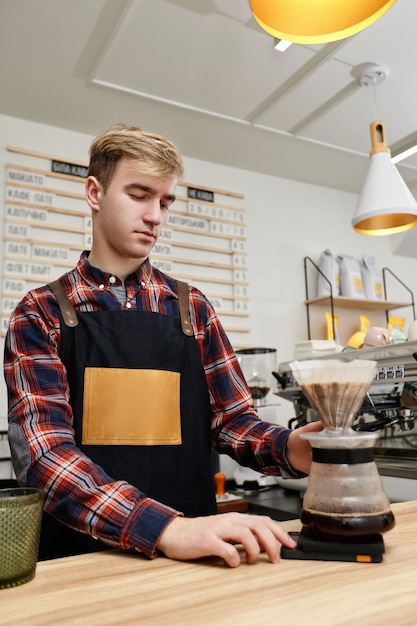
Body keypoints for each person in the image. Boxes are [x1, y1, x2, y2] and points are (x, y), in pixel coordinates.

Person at [4, 123, 322, 567]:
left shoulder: (193, 309)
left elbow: (232, 422)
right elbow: (44, 457)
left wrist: (290, 448)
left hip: (199, 558)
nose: (156, 216)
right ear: (94, 193)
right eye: (139, 195)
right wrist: (168, 528)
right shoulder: (40, 312)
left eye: (165, 201)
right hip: (85, 562)